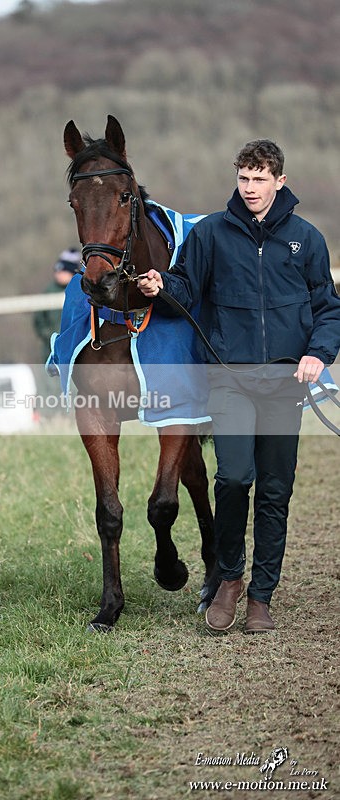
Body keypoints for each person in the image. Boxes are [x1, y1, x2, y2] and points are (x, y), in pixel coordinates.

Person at [137, 139, 340, 634]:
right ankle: (228, 578)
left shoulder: (306, 240)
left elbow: (328, 309)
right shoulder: (209, 235)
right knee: (232, 478)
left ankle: (261, 598)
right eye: (243, 178)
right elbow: (186, 289)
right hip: (227, 380)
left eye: (259, 179)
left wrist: (317, 353)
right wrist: (162, 287)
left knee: (275, 490)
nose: (249, 188)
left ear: (279, 182)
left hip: (284, 383)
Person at [33, 248, 81, 364]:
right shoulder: (49, 291)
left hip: (76, 349)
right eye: (57, 271)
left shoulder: (79, 289)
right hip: (51, 351)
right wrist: (49, 335)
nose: (58, 275)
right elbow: (38, 320)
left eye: (63, 271)